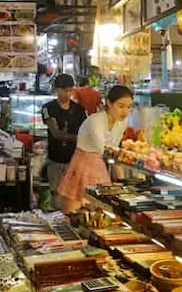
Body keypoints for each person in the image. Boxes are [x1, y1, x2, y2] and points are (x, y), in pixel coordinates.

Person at [57, 85, 133, 213]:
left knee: (101, 215)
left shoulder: (122, 123)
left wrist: (122, 181)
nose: (125, 112)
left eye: (129, 107)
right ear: (109, 103)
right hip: (82, 165)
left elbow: (114, 149)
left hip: (100, 167)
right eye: (121, 106)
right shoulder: (95, 120)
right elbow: (103, 149)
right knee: (73, 214)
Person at [41, 74, 87, 204]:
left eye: (70, 90)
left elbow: (84, 132)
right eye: (64, 90)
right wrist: (78, 138)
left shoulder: (79, 110)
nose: (67, 94)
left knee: (72, 195)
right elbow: (56, 134)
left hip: (74, 160)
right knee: (56, 193)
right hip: (55, 159)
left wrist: (71, 137)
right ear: (56, 89)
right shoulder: (48, 108)